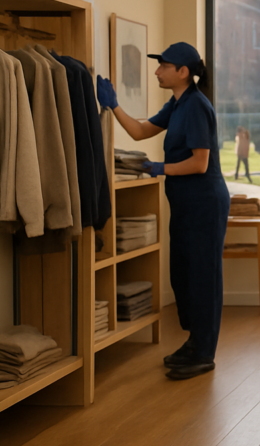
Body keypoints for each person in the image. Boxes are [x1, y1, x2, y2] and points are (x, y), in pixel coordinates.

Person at [96, 43, 230, 379]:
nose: (157, 71)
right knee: (183, 274)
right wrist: (113, 107)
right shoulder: (177, 103)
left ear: (182, 72)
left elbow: (200, 164)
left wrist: (158, 168)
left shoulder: (197, 106)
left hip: (204, 204)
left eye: (163, 66)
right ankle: (194, 341)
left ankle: (204, 351)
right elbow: (141, 131)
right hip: (186, 204)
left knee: (202, 277)